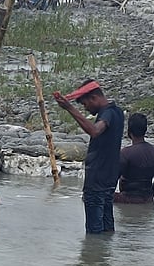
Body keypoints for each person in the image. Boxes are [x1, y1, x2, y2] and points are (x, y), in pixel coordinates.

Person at [53, 80, 124, 234]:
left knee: (94, 231)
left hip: (97, 180)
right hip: (109, 179)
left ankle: (94, 257)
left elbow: (94, 131)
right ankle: (104, 256)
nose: (85, 108)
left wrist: (70, 108)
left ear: (94, 98)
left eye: (85, 104)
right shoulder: (117, 112)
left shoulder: (108, 114)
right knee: (107, 227)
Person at [116, 113, 154, 204]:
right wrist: (149, 197)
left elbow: (112, 180)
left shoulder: (125, 153)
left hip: (126, 199)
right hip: (148, 199)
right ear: (145, 130)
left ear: (129, 132)